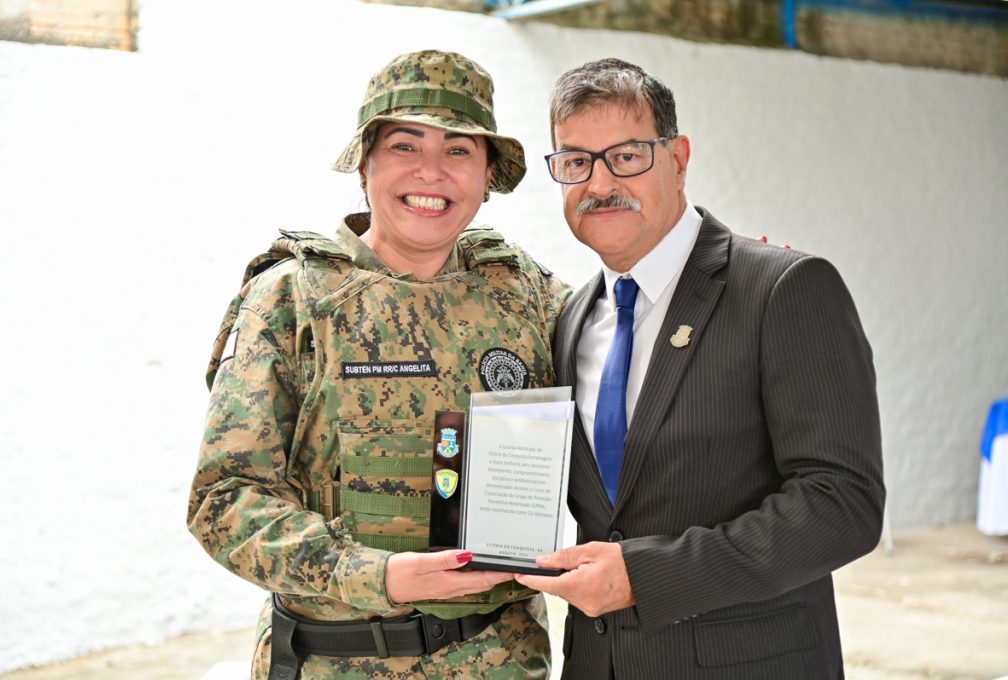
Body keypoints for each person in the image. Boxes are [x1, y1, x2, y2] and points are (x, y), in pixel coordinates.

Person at [187, 50, 570, 680]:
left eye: (458, 150)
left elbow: (632, 381)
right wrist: (375, 575)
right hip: (335, 661)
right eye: (404, 145)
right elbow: (223, 500)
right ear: (365, 164)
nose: (431, 172)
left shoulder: (523, 291)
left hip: (500, 661)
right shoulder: (293, 297)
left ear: (486, 175)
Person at [515, 58, 885, 678]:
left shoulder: (783, 288)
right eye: (576, 161)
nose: (600, 182)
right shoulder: (571, 317)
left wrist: (645, 576)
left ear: (679, 158)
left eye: (626, 155)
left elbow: (843, 504)